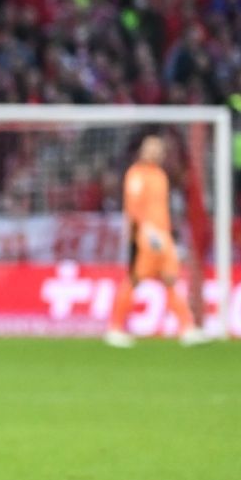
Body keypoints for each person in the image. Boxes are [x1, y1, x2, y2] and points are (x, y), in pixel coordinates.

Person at [104, 135, 209, 347]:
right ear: (143, 151)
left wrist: (167, 235)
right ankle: (115, 328)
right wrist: (147, 232)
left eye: (159, 149)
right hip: (145, 239)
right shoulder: (136, 174)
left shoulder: (160, 175)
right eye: (151, 148)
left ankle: (187, 328)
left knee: (171, 280)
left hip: (164, 238)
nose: (156, 153)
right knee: (133, 280)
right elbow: (133, 207)